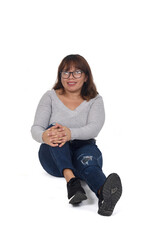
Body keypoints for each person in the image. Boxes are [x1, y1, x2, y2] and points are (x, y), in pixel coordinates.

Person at [31, 54, 122, 216]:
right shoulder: (50, 96)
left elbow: (94, 128)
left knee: (89, 163)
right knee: (54, 129)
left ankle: (103, 195)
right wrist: (43, 136)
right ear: (60, 76)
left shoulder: (95, 100)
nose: (70, 77)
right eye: (66, 72)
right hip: (52, 155)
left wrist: (70, 133)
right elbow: (36, 128)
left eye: (77, 72)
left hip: (83, 147)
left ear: (86, 76)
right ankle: (71, 181)